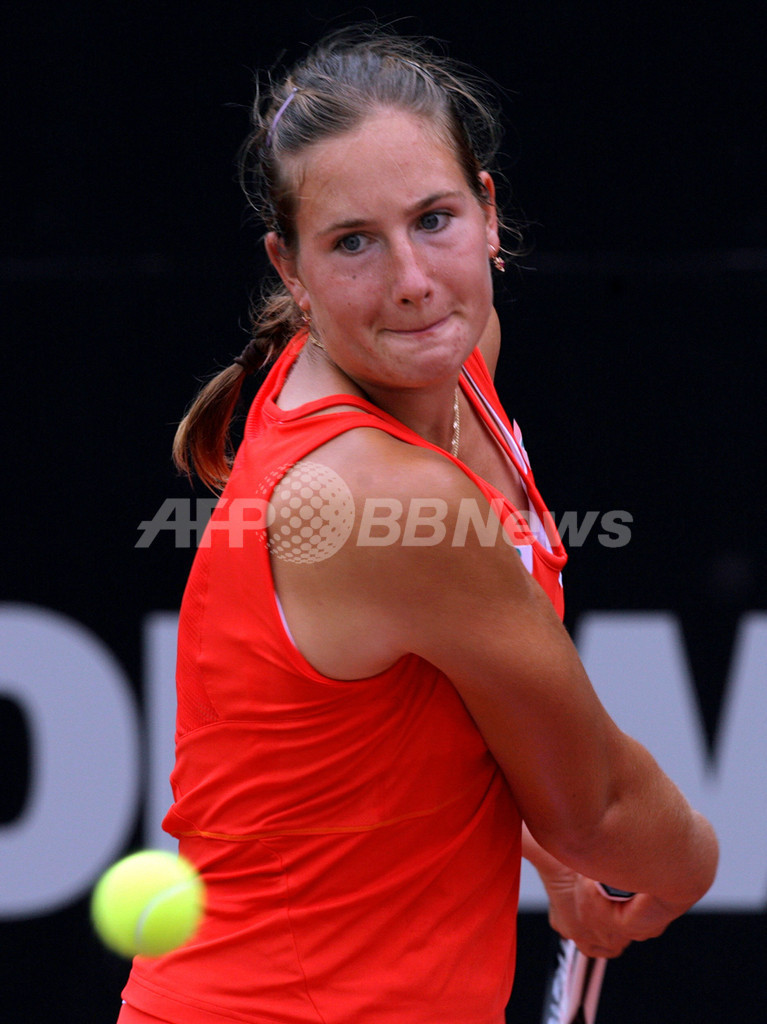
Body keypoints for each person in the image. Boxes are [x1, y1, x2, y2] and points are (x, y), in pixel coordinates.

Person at [119, 28, 717, 1024]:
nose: (410, 278)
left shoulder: (452, 359)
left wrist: (543, 854)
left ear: (488, 212)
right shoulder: (382, 503)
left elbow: (396, 736)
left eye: (433, 220)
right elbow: (600, 806)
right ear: (289, 267)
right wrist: (689, 863)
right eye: (353, 242)